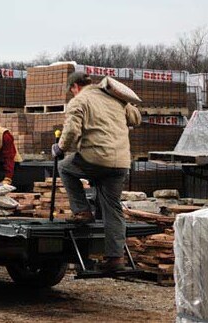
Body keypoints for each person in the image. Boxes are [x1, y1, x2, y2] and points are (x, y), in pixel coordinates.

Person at [51, 72, 141, 272]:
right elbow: (136, 119)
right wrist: (125, 102)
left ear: (74, 87)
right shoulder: (114, 98)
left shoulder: (79, 101)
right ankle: (115, 259)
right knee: (113, 208)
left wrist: (60, 148)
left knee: (64, 167)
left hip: (96, 159)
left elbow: (72, 131)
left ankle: (82, 211)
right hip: (121, 163)